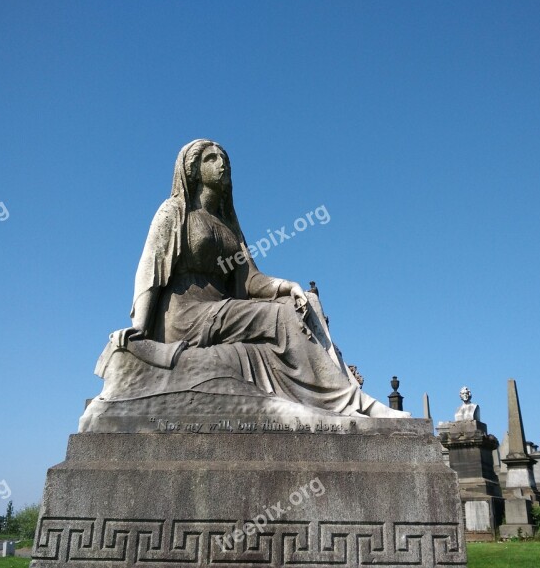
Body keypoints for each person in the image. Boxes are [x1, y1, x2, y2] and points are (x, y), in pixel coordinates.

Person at [119, 139, 405, 418]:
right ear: (192, 170)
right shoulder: (175, 212)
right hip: (186, 315)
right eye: (211, 159)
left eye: (225, 160)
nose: (222, 165)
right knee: (280, 318)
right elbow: (150, 269)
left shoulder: (229, 225)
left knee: (307, 304)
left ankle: (348, 398)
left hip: (223, 311)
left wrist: (287, 286)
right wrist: (140, 328)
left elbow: (250, 280)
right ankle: (349, 402)